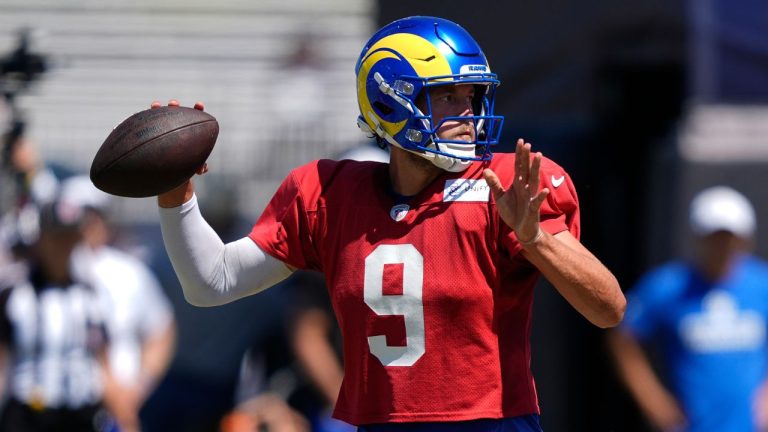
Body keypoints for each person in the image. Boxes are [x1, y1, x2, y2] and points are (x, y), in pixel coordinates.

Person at [154, 16, 625, 431]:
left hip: (489, 426)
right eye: (447, 96)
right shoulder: (328, 193)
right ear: (389, 102)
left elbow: (608, 309)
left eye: (471, 95)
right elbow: (212, 281)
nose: (468, 113)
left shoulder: (505, 189)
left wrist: (535, 237)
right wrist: (175, 195)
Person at [608, 185, 768, 432]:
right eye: (713, 237)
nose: (721, 246)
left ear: (744, 239)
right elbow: (623, 338)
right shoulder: (667, 287)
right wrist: (654, 402)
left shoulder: (761, 284)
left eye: (729, 237)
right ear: (698, 237)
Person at [59, 176, 177, 432]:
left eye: (92, 216)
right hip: (65, 405)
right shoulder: (52, 274)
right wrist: (118, 401)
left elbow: (161, 329)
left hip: (121, 408)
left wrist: (139, 387)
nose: (85, 226)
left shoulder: (129, 271)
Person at [0, 198, 110, 432]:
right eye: (56, 237)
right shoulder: (16, 295)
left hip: (82, 414)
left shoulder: (91, 295)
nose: (63, 245)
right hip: (29, 415)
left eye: (69, 237)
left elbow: (103, 362)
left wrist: (126, 417)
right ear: (40, 238)